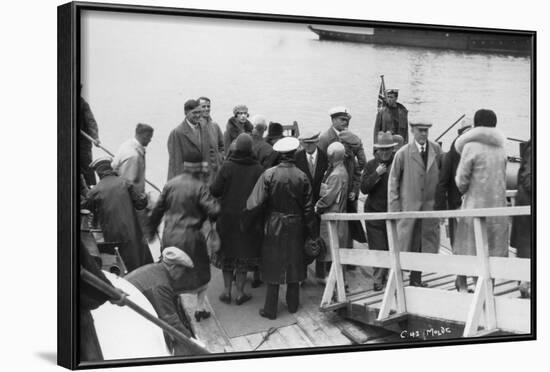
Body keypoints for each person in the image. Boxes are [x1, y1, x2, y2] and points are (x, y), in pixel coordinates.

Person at [246, 137, 315, 320]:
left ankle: (270, 310)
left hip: (274, 224)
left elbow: (253, 204)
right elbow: (309, 209)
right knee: (294, 263)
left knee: (272, 266)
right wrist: (312, 233)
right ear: (294, 154)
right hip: (296, 224)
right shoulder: (302, 176)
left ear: (279, 154)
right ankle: (293, 305)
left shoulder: (268, 175)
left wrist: (256, 222)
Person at [148, 153, 220, 321]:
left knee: (172, 274)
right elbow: (214, 210)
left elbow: (157, 211)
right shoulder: (200, 187)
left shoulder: (170, 185)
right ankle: (200, 308)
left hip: (170, 237)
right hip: (191, 238)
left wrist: (151, 231)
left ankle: (173, 311)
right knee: (201, 274)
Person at [454, 109, 509, 290]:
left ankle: (462, 284)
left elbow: (461, 180)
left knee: (467, 247)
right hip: (497, 210)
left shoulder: (470, 147)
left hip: (474, 207)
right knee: (492, 251)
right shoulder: (502, 149)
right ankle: (487, 289)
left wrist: (464, 191)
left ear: (476, 126)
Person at [210, 133, 264, 305]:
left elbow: (215, 190)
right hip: (247, 220)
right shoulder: (258, 169)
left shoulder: (227, 166)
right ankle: (240, 293)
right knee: (243, 256)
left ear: (236, 148)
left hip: (227, 218)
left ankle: (226, 291)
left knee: (227, 254)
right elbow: (262, 196)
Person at [388, 120, 442, 287]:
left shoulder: (437, 151)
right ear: (412, 131)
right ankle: (397, 282)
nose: (424, 134)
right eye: (420, 130)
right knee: (405, 243)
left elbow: (442, 179)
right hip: (408, 208)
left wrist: (441, 206)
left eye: (426, 130)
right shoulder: (403, 154)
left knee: (422, 244)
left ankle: (416, 279)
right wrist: (395, 209)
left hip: (428, 208)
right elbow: (393, 182)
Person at [82, 157, 153, 272]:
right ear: (110, 168)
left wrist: (83, 188)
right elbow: (140, 204)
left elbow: (83, 207)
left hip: (113, 236)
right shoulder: (124, 182)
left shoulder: (95, 190)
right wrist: (146, 197)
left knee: (121, 264)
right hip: (132, 231)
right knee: (140, 260)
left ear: (98, 172)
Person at [125, 247, 197, 355]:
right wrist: (191, 342)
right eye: (183, 271)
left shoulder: (156, 268)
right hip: (126, 316)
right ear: (173, 267)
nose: (183, 275)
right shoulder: (161, 285)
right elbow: (170, 321)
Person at [434, 118, 473, 292]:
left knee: (473, 246)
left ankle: (469, 281)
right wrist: (441, 212)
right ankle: (461, 282)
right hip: (456, 207)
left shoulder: (474, 153)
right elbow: (442, 183)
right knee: (459, 247)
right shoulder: (450, 155)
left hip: (473, 207)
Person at [360, 131, 398, 291]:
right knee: (377, 247)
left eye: (388, 149)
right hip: (374, 214)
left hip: (392, 213)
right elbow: (363, 189)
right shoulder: (370, 165)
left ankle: (391, 277)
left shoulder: (398, 162)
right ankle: (377, 279)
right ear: (377, 150)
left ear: (392, 149)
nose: (385, 153)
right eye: (382, 150)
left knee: (392, 247)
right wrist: (377, 174)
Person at [294, 130, 329, 279]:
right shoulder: (297, 158)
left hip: (320, 206)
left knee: (320, 239)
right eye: (305, 143)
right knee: (302, 238)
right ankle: (302, 274)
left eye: (311, 142)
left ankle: (320, 274)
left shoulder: (325, 157)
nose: (308, 146)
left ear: (316, 142)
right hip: (303, 207)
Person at [315, 142, 349, 284]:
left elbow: (329, 197)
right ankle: (335, 280)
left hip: (333, 216)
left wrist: (317, 206)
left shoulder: (335, 174)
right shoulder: (342, 170)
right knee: (334, 249)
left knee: (330, 249)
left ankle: (335, 282)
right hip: (340, 214)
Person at [167, 99, 211, 182]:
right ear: (186, 113)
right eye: (194, 113)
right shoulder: (177, 133)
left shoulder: (204, 127)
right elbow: (176, 162)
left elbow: (206, 155)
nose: (198, 115)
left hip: (202, 179)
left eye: (199, 112)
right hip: (186, 181)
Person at [510, 139, 532, 298]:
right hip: (528, 204)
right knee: (526, 245)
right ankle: (525, 284)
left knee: (526, 245)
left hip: (526, 201)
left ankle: (525, 282)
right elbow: (528, 179)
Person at [338, 130, 368, 244]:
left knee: (351, 229)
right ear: (343, 144)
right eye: (349, 148)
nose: (352, 151)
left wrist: (355, 191)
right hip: (338, 200)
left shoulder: (351, 158)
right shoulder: (333, 156)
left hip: (349, 200)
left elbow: (357, 175)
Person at [112, 123, 154, 195]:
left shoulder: (126, 145)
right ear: (144, 136)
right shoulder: (133, 156)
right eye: (150, 137)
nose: (150, 140)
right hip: (128, 198)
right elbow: (129, 183)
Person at [198, 96, 225, 183]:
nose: (207, 109)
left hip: (216, 170)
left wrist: (220, 157)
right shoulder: (196, 127)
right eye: (203, 106)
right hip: (203, 173)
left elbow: (222, 145)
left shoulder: (215, 126)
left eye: (208, 106)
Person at [79, 85, 101, 187]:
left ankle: (92, 190)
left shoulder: (82, 104)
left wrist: (95, 137)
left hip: (83, 144)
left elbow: (90, 121)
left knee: (87, 169)